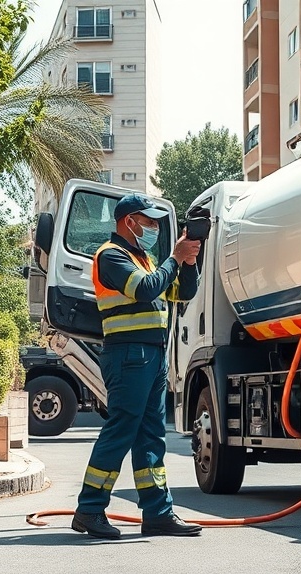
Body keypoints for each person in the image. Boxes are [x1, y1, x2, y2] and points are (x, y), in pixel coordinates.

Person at [72, 193, 203, 539]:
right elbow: (145, 290)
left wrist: (188, 262)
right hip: (129, 355)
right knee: (121, 431)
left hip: (151, 356)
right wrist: (174, 258)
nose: (154, 227)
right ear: (128, 221)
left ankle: (157, 513)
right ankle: (89, 509)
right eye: (148, 221)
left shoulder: (145, 259)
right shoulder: (111, 256)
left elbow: (181, 293)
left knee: (150, 437)